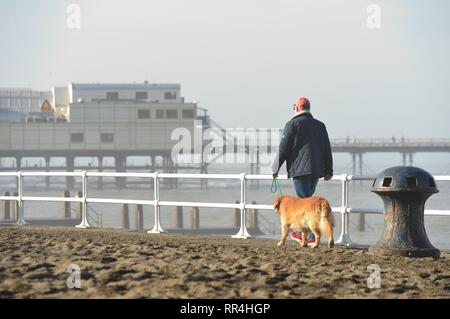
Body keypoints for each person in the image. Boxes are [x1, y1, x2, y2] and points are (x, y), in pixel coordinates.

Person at [272, 97, 333, 243]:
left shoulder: (292, 124)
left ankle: (310, 236)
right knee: (309, 200)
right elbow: (326, 148)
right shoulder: (320, 125)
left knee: (305, 203)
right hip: (317, 170)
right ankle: (308, 235)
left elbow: (283, 148)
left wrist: (275, 168)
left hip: (300, 170)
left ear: (297, 108)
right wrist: (328, 169)